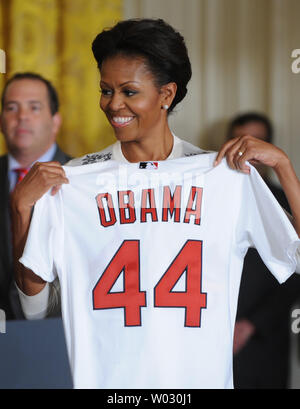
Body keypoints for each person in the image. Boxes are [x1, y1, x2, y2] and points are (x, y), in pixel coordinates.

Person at [10, 19, 300, 389]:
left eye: (129, 91)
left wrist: (284, 167)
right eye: (105, 90)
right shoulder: (73, 179)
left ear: (166, 94)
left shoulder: (222, 175)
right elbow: (34, 310)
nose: (114, 104)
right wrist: (21, 212)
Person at [226, 112, 300, 388]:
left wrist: (252, 324)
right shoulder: (212, 198)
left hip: (265, 337)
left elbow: (296, 272)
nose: (250, 153)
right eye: (240, 142)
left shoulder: (287, 200)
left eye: (258, 144)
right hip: (213, 333)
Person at [0, 72, 71, 320]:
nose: (22, 117)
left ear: (55, 121)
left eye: (34, 107)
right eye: (12, 107)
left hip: (58, 337)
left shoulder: (81, 179)